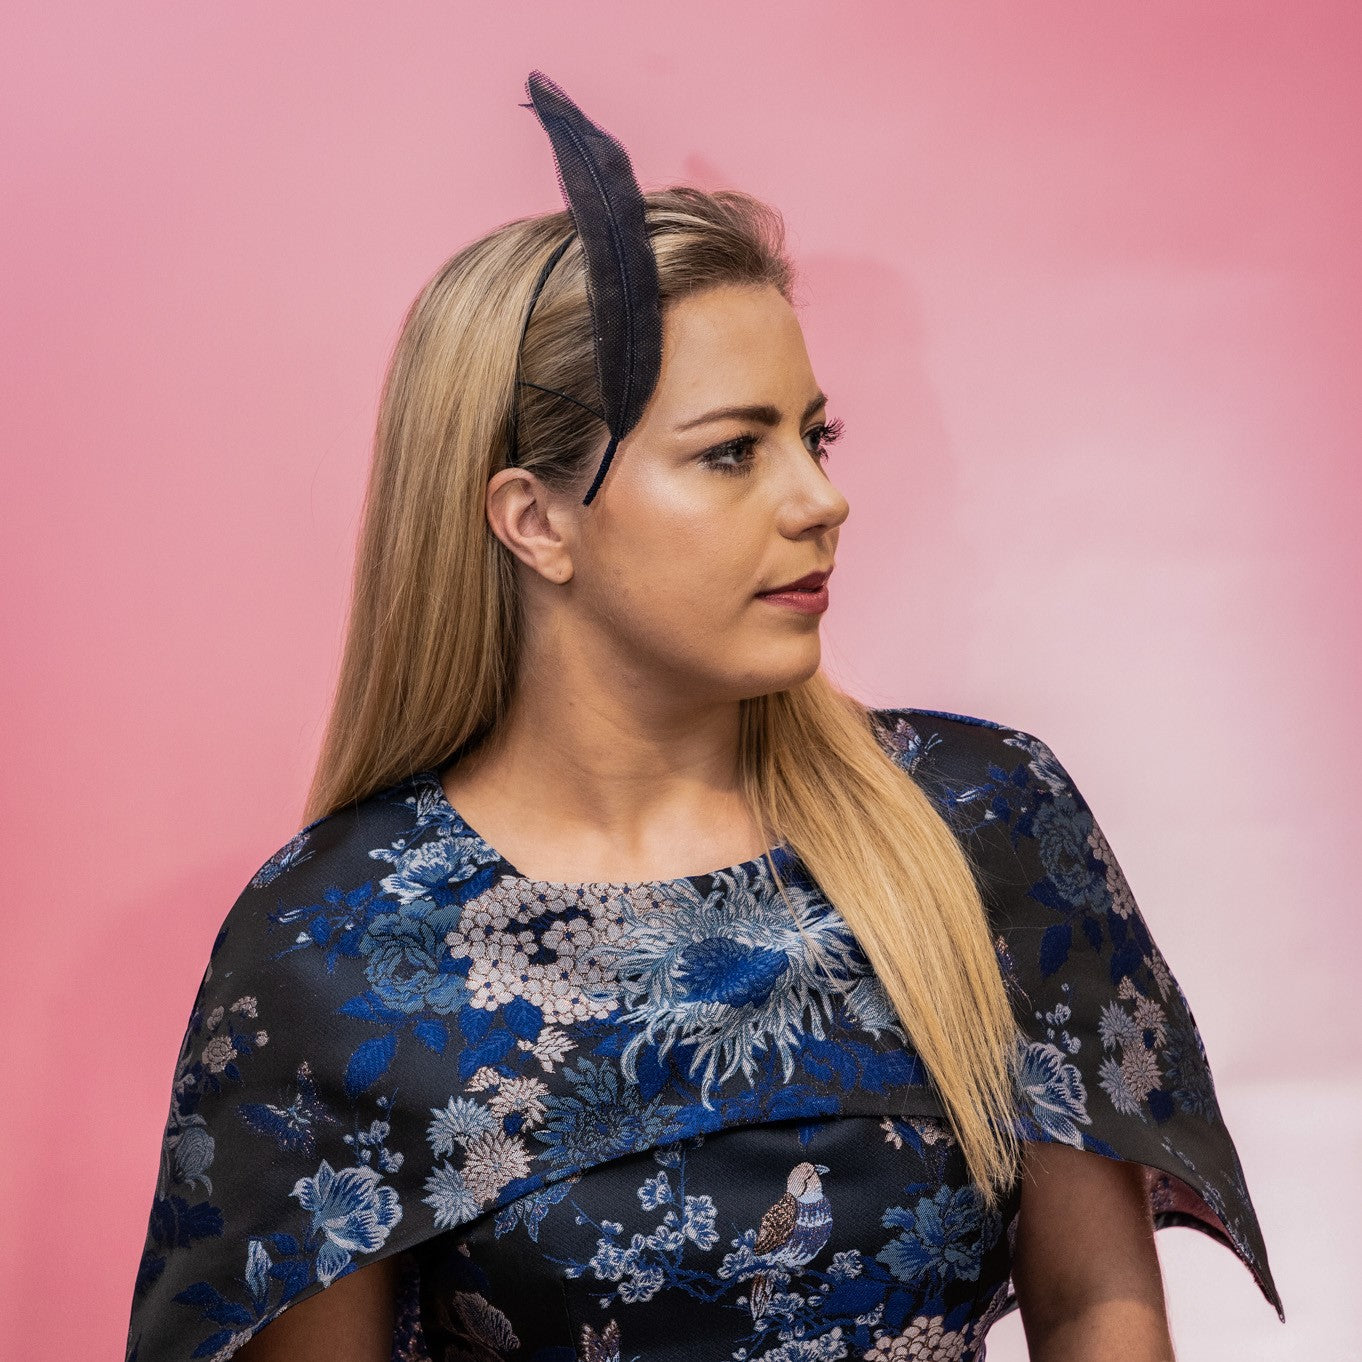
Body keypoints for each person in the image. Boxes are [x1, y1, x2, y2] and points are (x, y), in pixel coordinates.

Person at [125, 74, 1282, 1362]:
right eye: (734, 449)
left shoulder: (979, 821)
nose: (819, 498)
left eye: (816, 434)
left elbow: (1092, 1312)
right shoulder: (335, 950)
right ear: (536, 520)